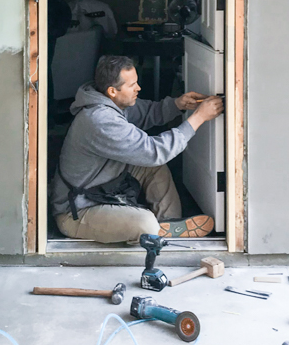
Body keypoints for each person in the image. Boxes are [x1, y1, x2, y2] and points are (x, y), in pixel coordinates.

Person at [51, 54, 224, 243]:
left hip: (102, 188)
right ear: (112, 91)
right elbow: (154, 152)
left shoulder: (108, 101)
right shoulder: (100, 120)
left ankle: (169, 223)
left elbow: (148, 112)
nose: (138, 88)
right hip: (77, 212)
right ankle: (156, 230)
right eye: (132, 85)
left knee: (152, 168)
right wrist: (198, 118)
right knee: (146, 224)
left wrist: (177, 104)